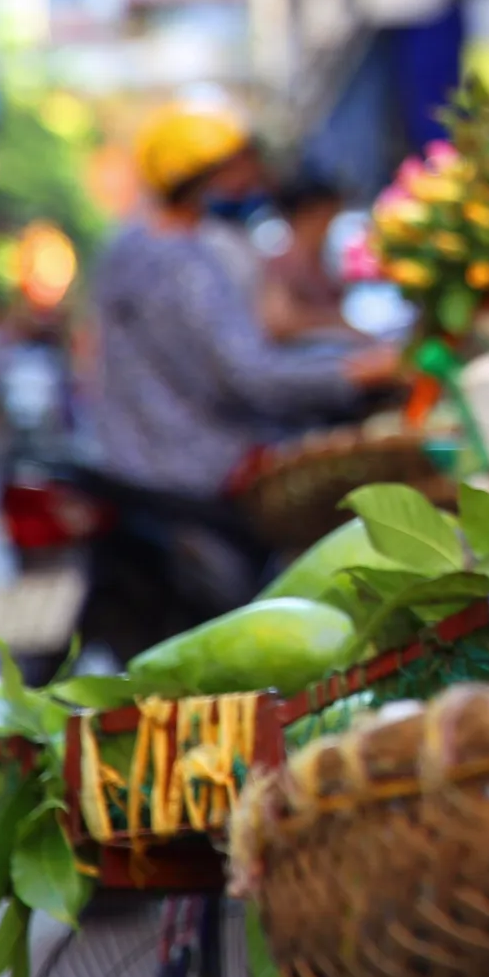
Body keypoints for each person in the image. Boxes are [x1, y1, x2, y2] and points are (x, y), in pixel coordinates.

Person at [84, 104, 400, 632]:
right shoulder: (187, 262)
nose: (255, 182)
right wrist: (356, 373)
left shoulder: (126, 247)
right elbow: (249, 375)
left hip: (127, 462)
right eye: (239, 172)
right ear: (198, 180)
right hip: (197, 470)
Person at [258, 173, 357, 344]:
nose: (330, 222)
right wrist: (334, 323)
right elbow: (279, 321)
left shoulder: (321, 259)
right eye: (328, 214)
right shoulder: (283, 263)